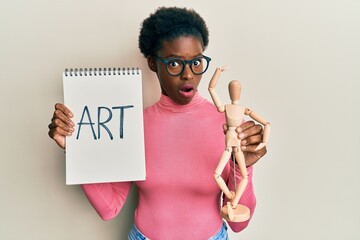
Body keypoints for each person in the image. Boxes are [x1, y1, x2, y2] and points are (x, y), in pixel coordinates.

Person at [48, 7, 267, 240]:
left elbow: (239, 226)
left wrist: (243, 166)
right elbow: (109, 208)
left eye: (196, 62)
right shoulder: (132, 126)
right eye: (174, 64)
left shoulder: (228, 125)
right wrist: (75, 149)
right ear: (153, 64)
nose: (188, 75)